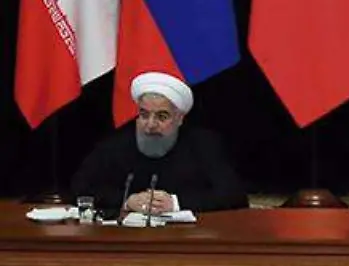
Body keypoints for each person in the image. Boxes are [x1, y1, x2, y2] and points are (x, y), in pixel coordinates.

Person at [70, 72, 249, 214]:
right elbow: (78, 190)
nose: (150, 124)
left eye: (162, 116)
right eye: (144, 115)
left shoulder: (204, 145)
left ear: (180, 118)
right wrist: (127, 201)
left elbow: (234, 196)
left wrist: (175, 203)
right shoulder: (116, 145)